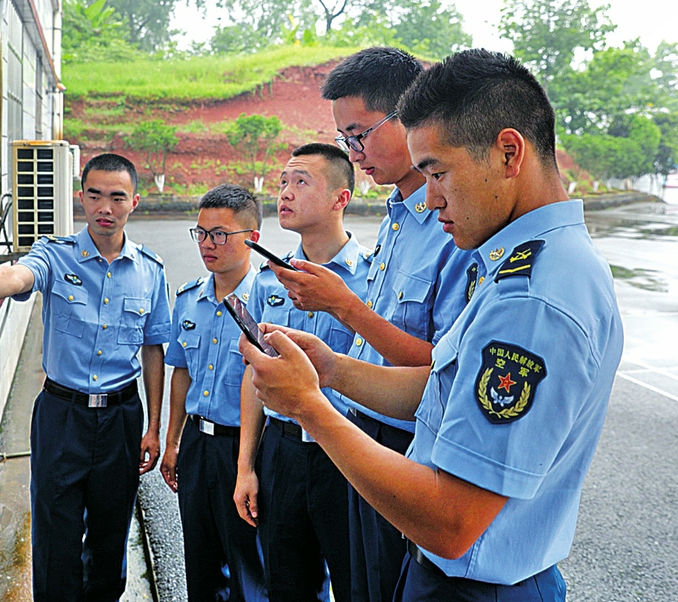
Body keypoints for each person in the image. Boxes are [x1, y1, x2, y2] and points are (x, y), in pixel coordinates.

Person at [240, 49, 623, 602]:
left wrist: (308, 407)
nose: (434, 199)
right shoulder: (521, 261)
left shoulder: (534, 298)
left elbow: (451, 521)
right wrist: (330, 370)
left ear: (508, 153)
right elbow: (444, 386)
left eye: (438, 173)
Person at [266, 47, 473, 602]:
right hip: (363, 428)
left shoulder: (452, 226)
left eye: (358, 135)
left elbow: (441, 369)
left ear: (406, 117)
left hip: (404, 443)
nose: (353, 153)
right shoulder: (398, 218)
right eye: (344, 140)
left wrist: (344, 306)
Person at [0, 153, 171, 602]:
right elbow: (15, 276)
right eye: (94, 195)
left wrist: (153, 426)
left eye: (117, 197)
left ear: (135, 201)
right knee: (56, 535)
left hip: (121, 418)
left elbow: (153, 348)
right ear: (81, 197)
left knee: (111, 537)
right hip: (62, 415)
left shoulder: (151, 272)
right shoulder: (56, 255)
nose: (105, 208)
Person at [234, 143, 369, 602]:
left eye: (301, 182)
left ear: (340, 199)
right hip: (282, 453)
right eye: (282, 183)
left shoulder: (369, 281)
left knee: (358, 582)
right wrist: (245, 467)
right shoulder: (266, 280)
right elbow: (255, 380)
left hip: (346, 454)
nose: (285, 194)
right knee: (287, 585)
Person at [160, 184, 267, 602]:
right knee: (199, 562)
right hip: (197, 448)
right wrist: (172, 442)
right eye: (201, 233)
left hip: (244, 448)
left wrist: (249, 465)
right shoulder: (189, 300)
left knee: (248, 566)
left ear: (252, 238)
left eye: (221, 234)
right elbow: (181, 373)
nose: (208, 244)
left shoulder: (267, 302)